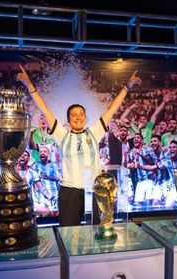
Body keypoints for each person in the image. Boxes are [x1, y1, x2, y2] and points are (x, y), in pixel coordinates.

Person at [17, 65, 141, 226]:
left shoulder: (94, 132)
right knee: (70, 235)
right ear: (68, 119)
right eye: (74, 115)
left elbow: (112, 109)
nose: (78, 117)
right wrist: (29, 85)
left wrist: (127, 87)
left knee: (97, 232)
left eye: (81, 114)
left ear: (85, 118)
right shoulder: (62, 135)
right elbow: (44, 109)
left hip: (95, 191)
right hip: (70, 192)